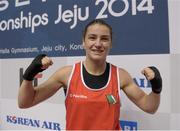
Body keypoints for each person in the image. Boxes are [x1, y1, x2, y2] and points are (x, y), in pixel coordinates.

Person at [18, 19, 162, 130]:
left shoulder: (120, 75)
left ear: (111, 43)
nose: (98, 44)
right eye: (92, 37)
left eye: (104, 39)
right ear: (83, 42)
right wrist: (29, 75)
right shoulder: (67, 74)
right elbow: (25, 102)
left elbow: (149, 107)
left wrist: (156, 87)